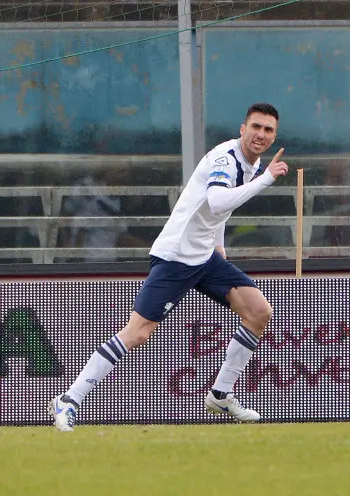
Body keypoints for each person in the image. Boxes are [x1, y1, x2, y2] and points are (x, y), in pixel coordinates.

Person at [49, 103, 289, 432]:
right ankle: (69, 399)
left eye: (268, 130)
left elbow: (216, 212)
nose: (261, 134)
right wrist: (265, 181)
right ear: (242, 129)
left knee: (259, 312)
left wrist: (220, 249)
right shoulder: (226, 159)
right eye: (256, 127)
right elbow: (218, 200)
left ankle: (220, 394)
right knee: (138, 332)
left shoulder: (253, 163)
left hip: (205, 257)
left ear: (275, 136)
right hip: (176, 257)